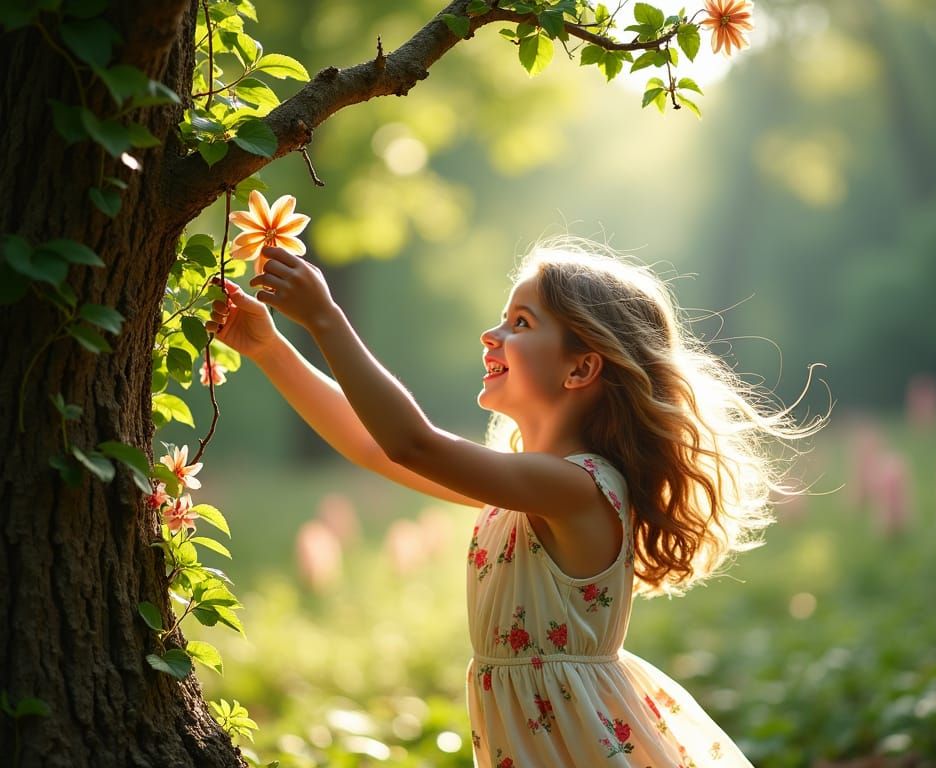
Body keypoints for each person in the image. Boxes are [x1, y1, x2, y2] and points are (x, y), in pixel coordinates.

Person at [207, 237, 823, 767]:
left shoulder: (577, 487)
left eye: (521, 323)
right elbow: (376, 448)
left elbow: (412, 443)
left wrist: (326, 320)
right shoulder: (523, 489)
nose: (492, 333)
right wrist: (268, 348)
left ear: (581, 369)